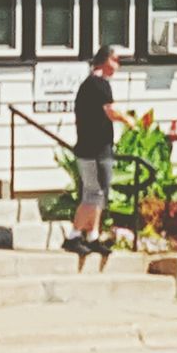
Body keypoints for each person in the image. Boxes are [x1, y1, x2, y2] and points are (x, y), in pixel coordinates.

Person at [63, 46, 134, 256]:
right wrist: (128, 120)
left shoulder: (93, 84)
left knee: (100, 194)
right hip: (92, 149)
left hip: (98, 148)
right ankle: (73, 235)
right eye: (116, 60)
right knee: (93, 193)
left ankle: (92, 235)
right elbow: (110, 111)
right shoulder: (98, 83)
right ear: (105, 60)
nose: (118, 66)